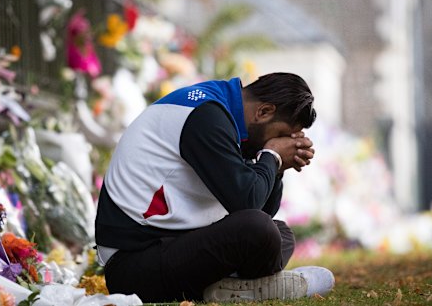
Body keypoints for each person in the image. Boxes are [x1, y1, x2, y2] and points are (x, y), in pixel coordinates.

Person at [94, 73, 335, 303]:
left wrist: (277, 167)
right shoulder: (206, 116)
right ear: (263, 112)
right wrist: (271, 156)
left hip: (172, 245)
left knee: (280, 233)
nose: (282, 142)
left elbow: (261, 210)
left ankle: (228, 287)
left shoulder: (227, 114)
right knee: (259, 230)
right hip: (134, 265)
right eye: (282, 134)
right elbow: (247, 204)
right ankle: (245, 285)